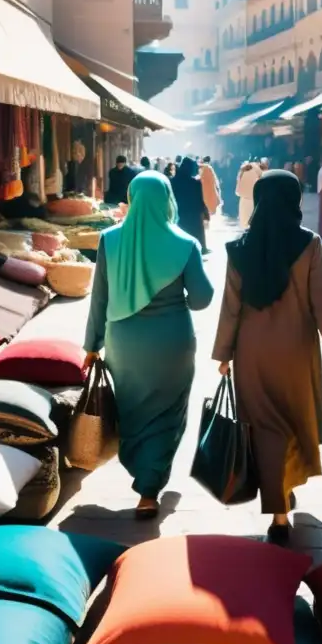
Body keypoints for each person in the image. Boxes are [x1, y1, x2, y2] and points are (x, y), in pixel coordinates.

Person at [213, 171, 322, 545]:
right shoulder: (309, 244)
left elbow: (231, 308)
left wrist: (224, 353)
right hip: (295, 351)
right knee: (291, 423)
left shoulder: (239, 247)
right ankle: (280, 509)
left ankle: (279, 504)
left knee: (263, 428)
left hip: (251, 353)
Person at [84, 172, 214, 519]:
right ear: (167, 199)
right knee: (168, 413)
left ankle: (141, 474)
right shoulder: (185, 244)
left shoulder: (109, 239)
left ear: (132, 197)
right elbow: (202, 299)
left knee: (132, 410)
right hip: (172, 343)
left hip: (124, 344)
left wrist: (91, 346)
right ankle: (149, 488)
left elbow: (99, 299)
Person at [171, 157, 209, 253]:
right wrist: (205, 214)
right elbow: (200, 201)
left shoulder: (172, 181)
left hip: (178, 215)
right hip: (193, 216)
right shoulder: (195, 183)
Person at [236, 159, 262, 226]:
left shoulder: (242, 170)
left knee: (244, 223)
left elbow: (237, 189)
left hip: (243, 200)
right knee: (253, 223)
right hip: (254, 200)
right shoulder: (258, 170)